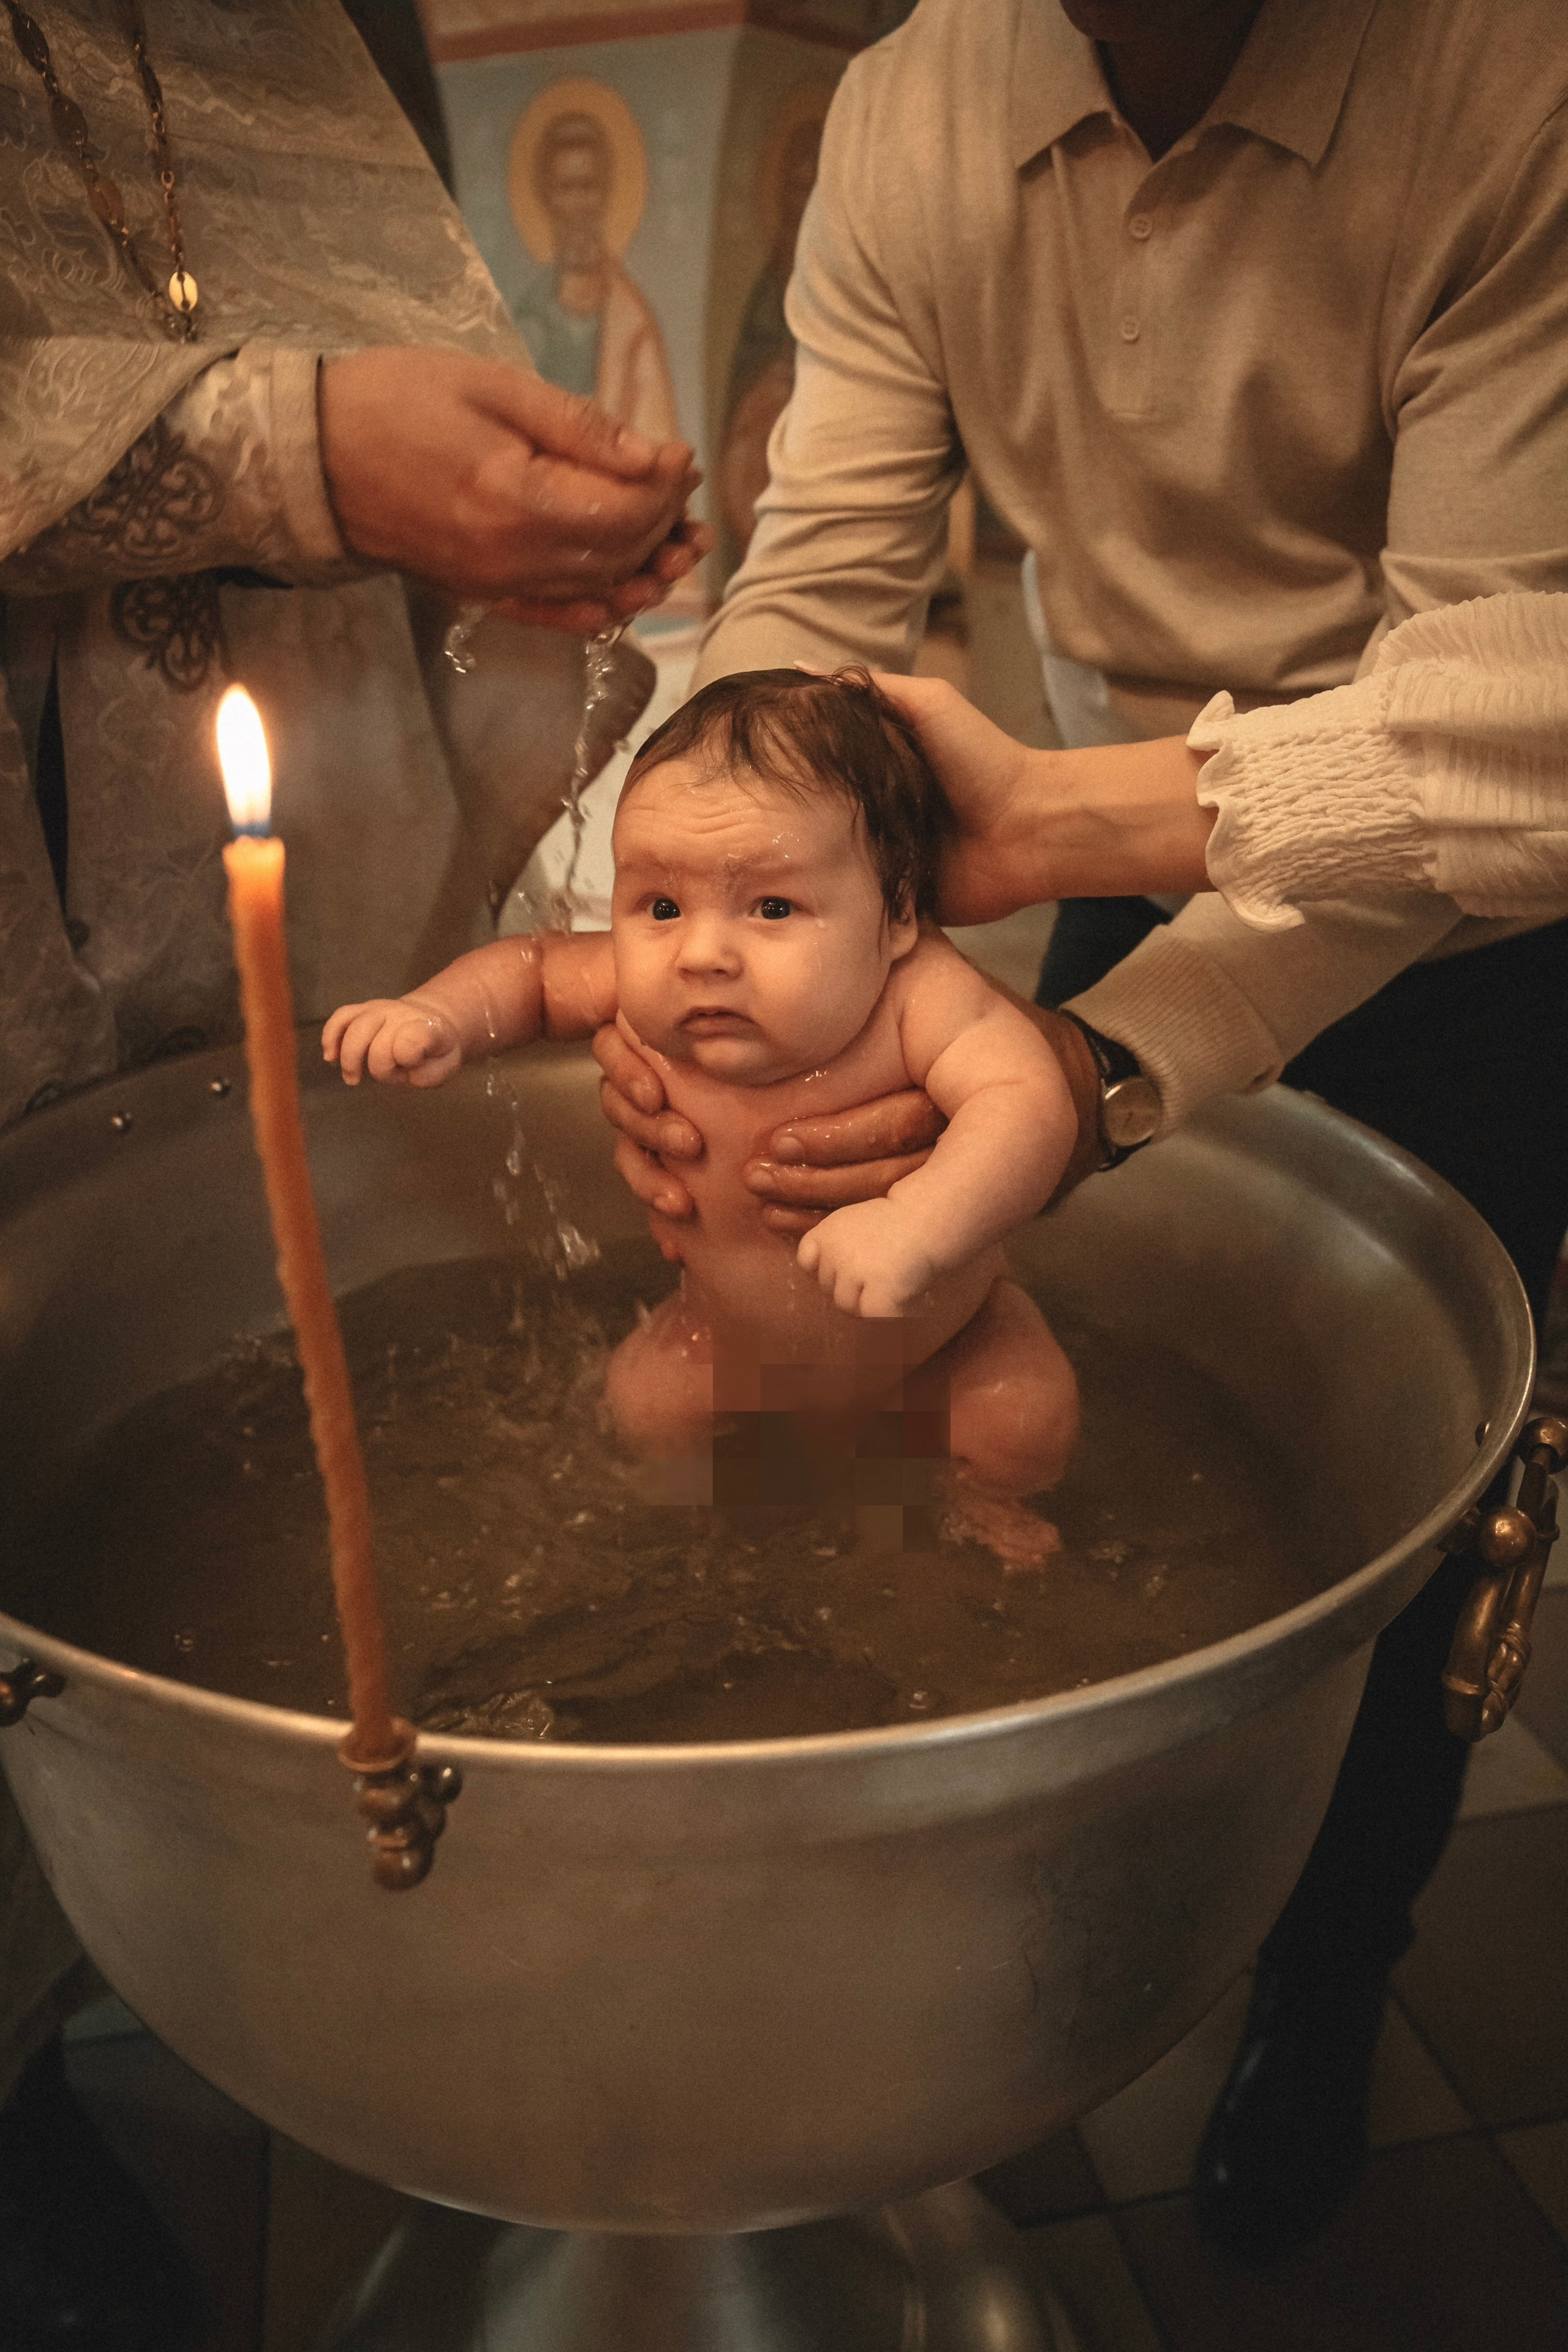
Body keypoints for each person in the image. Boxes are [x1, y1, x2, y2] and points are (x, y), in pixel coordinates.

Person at [592, 0, 1568, 2266]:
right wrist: (688, 984)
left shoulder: (1506, 79)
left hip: (1492, 892)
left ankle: (1326, 1996)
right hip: (1112, 825)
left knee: (1423, 1525)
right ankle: (1048, 1925)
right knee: (1033, 1392)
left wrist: (1101, 1033)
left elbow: (1503, 703)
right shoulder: (927, 101)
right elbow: (817, 597)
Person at [0, 5, 707, 2342]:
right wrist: (278, 445)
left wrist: (519, 587)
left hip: (289, 914)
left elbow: (433, 708)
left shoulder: (315, 24)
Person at [324, 668, 1080, 1566]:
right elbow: (528, 971)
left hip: (947, 1349)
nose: (702, 953)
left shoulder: (921, 1001)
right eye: (662, 906)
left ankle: (979, 1507)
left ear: (898, 913)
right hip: (728, 1342)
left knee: (1020, 1418)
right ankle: (689, 1545)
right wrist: (437, 1016)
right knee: (641, 1407)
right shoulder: (637, 980)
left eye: (771, 907)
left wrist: (919, 1223)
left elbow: (1028, 1102)